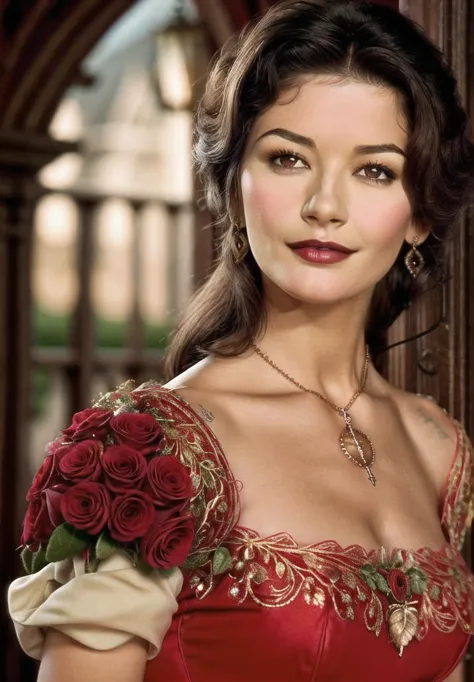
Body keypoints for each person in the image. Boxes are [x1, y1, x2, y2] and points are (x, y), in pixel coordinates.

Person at [8, 1, 474, 681]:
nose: (325, 206)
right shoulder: (145, 451)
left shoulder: (441, 452)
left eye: (373, 170)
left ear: (420, 215)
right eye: (288, 159)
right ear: (233, 185)